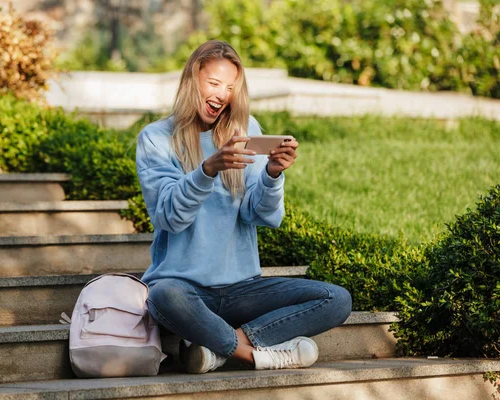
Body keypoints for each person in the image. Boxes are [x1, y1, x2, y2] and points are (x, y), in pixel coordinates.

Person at [136, 40, 352, 374]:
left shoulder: (246, 130)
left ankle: (221, 350)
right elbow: (169, 217)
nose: (221, 94)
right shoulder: (156, 138)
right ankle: (253, 356)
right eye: (213, 83)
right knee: (163, 295)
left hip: (243, 291)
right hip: (185, 289)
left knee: (336, 299)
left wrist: (272, 174)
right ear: (192, 80)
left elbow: (263, 214)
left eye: (230, 87)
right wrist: (208, 170)